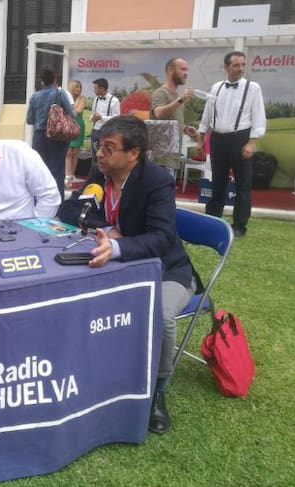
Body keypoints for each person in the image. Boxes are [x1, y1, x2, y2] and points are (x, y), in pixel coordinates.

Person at [58, 115, 194, 435]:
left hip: (166, 269)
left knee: (161, 314)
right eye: (98, 146)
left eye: (109, 148)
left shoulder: (156, 181)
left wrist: (118, 246)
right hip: (122, 267)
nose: (99, 154)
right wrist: (107, 229)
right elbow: (68, 211)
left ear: (134, 153)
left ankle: (158, 390)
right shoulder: (100, 172)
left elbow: (162, 239)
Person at [197, 51, 266, 238]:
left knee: (243, 184)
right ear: (227, 67)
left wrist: (251, 143)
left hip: (241, 139)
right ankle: (213, 220)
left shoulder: (253, 88)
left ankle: (239, 226)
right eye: (236, 65)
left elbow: (258, 117)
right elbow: (207, 114)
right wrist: (201, 138)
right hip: (217, 139)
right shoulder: (216, 87)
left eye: (243, 64)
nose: (241, 68)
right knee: (218, 182)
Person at [26, 66, 75, 202]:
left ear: (42, 82)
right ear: (55, 79)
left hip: (39, 136)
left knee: (40, 169)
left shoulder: (34, 97)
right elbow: (72, 113)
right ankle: (57, 202)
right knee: (57, 169)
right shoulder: (59, 94)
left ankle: (39, 200)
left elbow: (29, 120)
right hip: (57, 135)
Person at [150, 57, 198, 154]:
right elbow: (158, 113)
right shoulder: (160, 93)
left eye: (187, 70)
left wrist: (185, 128)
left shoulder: (176, 96)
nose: (186, 73)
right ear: (170, 70)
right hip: (162, 155)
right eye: (183, 69)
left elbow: (170, 120)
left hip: (173, 154)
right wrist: (181, 99)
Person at [89, 78, 120, 166]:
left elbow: (117, 118)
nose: (94, 90)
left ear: (102, 88)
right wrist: (93, 118)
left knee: (106, 156)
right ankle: (94, 173)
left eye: (95, 88)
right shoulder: (96, 99)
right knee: (95, 156)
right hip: (95, 131)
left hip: (108, 132)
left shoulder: (114, 100)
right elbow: (92, 114)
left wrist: (102, 117)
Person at [64, 80, 87, 189]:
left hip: (78, 126)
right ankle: (67, 175)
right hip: (67, 126)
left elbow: (77, 112)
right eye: (77, 87)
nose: (79, 89)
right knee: (68, 153)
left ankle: (72, 175)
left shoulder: (82, 98)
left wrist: (69, 108)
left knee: (75, 153)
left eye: (80, 87)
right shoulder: (66, 97)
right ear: (72, 87)